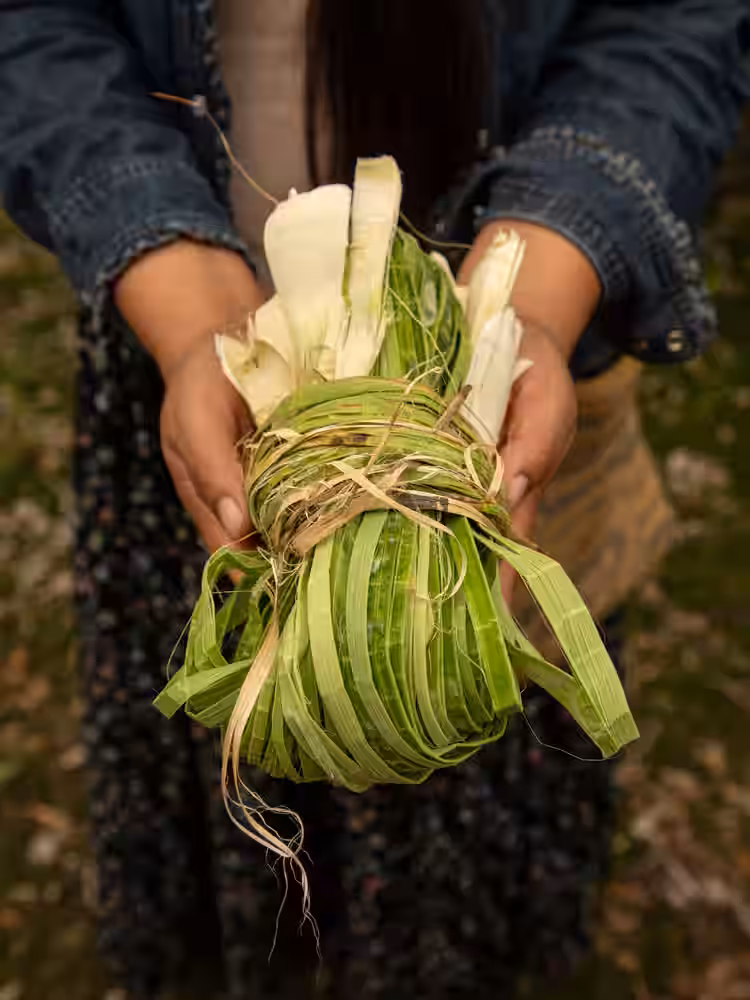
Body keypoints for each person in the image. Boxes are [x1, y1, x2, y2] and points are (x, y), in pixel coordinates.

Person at [1, 2, 747, 998]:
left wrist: (532, 296)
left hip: (486, 396)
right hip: (199, 363)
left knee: (463, 723)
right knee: (247, 761)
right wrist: (175, 290)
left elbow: (671, 26)